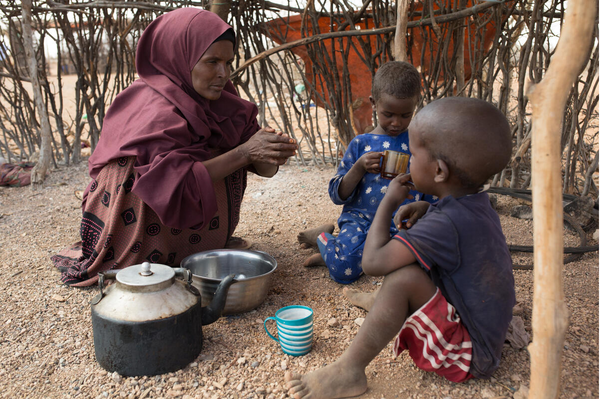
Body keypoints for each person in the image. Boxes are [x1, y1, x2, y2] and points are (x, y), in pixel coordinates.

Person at [285, 97, 515, 399]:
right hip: (486, 331)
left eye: (414, 155)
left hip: (470, 355)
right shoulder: (475, 204)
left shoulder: (446, 224)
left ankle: (349, 370)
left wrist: (389, 201)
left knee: (401, 278)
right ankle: (384, 306)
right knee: (413, 255)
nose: (409, 160)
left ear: (439, 171)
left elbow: (373, 263)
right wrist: (425, 207)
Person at [52, 8, 297, 286]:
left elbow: (261, 164)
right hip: (138, 236)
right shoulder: (152, 107)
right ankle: (153, 257)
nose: (223, 73)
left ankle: (193, 250)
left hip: (191, 231)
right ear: (180, 57)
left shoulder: (223, 100)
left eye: (228, 62)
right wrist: (245, 152)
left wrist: (272, 150)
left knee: (226, 149)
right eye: (212, 61)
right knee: (152, 168)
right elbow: (171, 184)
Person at [297, 61, 435, 284]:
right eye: (388, 114)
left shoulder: (418, 144)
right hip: (360, 221)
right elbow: (337, 194)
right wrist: (359, 167)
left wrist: (425, 207)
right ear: (373, 103)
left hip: (399, 223)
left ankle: (337, 250)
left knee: (422, 265)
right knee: (344, 270)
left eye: (405, 115)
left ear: (415, 107)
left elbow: (430, 190)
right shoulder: (361, 144)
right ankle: (325, 240)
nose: (396, 123)